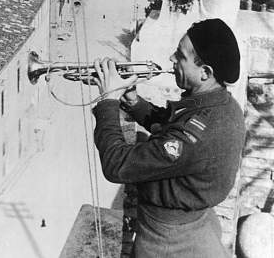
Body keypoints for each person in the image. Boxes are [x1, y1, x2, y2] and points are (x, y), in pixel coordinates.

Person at [92, 18, 245, 258]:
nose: (172, 59)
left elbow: (116, 165)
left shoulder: (199, 134)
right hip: (194, 224)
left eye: (180, 56)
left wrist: (107, 102)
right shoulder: (222, 106)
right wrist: (135, 104)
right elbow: (172, 127)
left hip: (167, 243)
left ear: (205, 72)